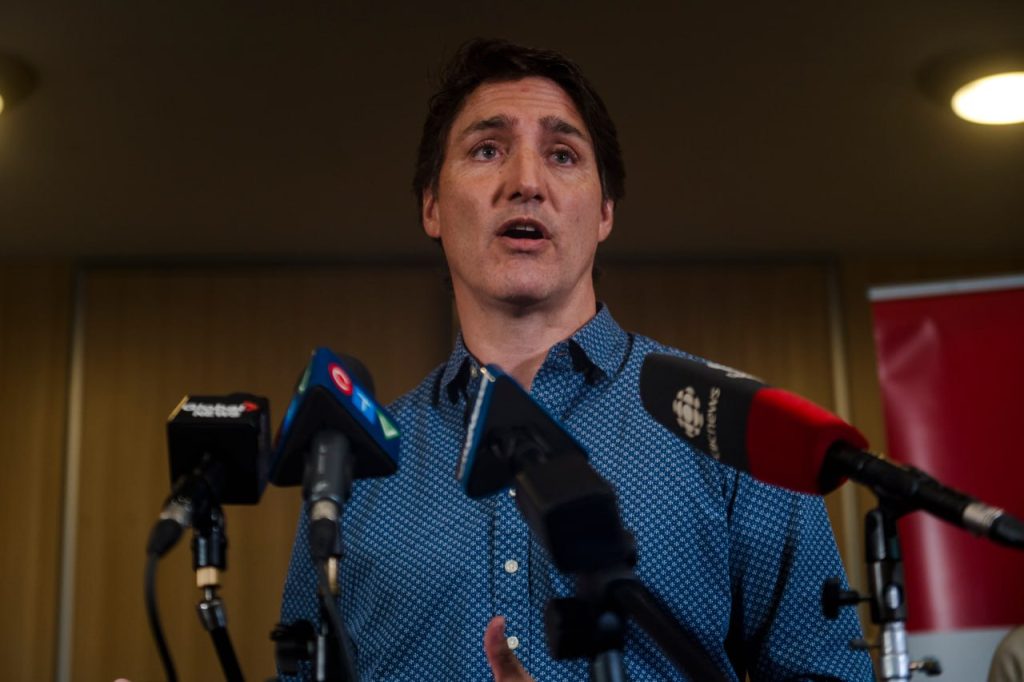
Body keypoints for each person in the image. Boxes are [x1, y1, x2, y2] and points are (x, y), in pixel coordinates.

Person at [279, 39, 873, 681]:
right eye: (487, 150)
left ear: (605, 212)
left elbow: (828, 673)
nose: (526, 183)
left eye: (562, 155)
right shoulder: (354, 471)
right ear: (432, 207)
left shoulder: (726, 428)